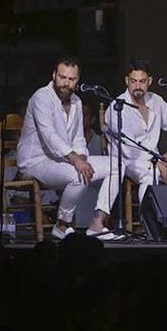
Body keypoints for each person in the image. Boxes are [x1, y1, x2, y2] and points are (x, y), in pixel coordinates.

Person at [16, 57, 119, 240]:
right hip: (36, 161)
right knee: (77, 175)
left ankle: (97, 223)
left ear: (78, 80)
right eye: (62, 77)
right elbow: (50, 136)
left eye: (71, 79)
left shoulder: (77, 102)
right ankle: (62, 225)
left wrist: (81, 155)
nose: (66, 83)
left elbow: (78, 137)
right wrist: (75, 159)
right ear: (54, 75)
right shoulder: (41, 97)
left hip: (63, 160)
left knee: (118, 165)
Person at [104, 59, 167, 209]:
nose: (137, 86)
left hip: (158, 160)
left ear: (149, 81)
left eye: (142, 81)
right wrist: (158, 164)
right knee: (151, 175)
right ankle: (150, 225)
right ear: (126, 81)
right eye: (133, 81)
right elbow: (129, 148)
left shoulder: (156, 101)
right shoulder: (117, 107)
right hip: (129, 162)